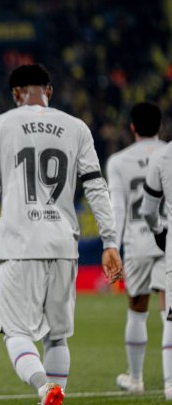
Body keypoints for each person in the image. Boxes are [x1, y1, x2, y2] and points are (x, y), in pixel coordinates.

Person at [0, 64, 123, 405]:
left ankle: (45, 387)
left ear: (16, 94)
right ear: (49, 91)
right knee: (57, 337)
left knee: (16, 332)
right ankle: (55, 394)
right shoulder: (76, 127)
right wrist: (110, 241)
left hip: (19, 241)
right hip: (62, 242)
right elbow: (96, 187)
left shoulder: (0, 125)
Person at [106, 102, 166, 393]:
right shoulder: (169, 154)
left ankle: (136, 378)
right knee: (169, 311)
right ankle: (170, 381)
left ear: (132, 127)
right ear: (161, 126)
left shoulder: (118, 161)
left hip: (138, 241)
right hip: (167, 238)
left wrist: (111, 247)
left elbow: (116, 209)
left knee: (137, 310)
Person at [140, 138, 171, 400]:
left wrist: (160, 231)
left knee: (171, 319)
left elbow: (148, 210)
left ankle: (171, 385)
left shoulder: (162, 156)